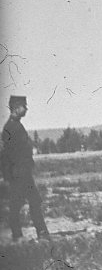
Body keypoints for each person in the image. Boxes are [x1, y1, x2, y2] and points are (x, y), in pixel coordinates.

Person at [1, 95, 50, 242]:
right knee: (23, 203)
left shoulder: (15, 126)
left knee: (27, 202)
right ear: (16, 108)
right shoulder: (11, 128)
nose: (26, 109)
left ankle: (32, 234)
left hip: (22, 172)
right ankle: (30, 234)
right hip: (18, 174)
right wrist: (8, 175)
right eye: (24, 106)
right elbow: (5, 155)